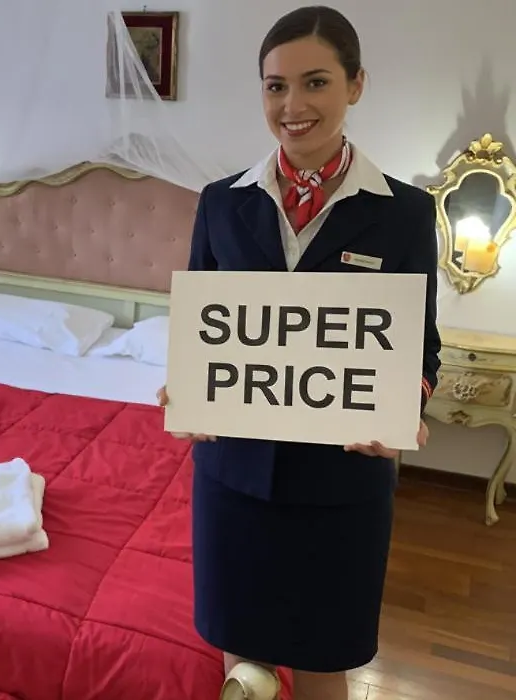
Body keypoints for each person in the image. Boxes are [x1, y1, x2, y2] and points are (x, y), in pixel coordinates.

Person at [157, 6, 441, 700]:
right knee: (240, 666)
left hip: (341, 486)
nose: (293, 106)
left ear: (356, 84)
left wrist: (403, 405)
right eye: (275, 86)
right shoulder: (220, 203)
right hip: (234, 478)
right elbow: (205, 326)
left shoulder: (404, 213)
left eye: (315, 82)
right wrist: (186, 386)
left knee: (322, 665)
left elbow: (421, 348)